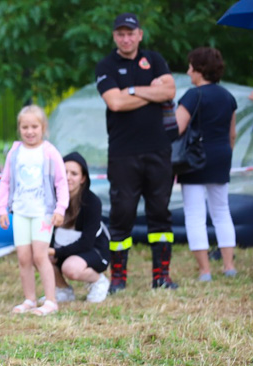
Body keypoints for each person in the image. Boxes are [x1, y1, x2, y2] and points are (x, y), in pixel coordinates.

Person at [95, 12, 178, 292]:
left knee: (160, 213)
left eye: (130, 33)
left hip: (158, 151)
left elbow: (169, 91)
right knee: (122, 213)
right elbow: (115, 103)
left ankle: (161, 277)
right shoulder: (105, 65)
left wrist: (129, 90)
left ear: (139, 34)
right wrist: (145, 91)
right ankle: (118, 279)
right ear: (114, 36)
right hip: (123, 154)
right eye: (120, 33)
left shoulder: (154, 59)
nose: (126, 38)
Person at [0, 105, 69, 316]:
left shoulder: (49, 152)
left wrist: (60, 209)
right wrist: (2, 209)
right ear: (19, 128)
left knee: (40, 256)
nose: (29, 131)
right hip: (20, 212)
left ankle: (51, 300)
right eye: (25, 127)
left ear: (43, 128)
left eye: (34, 126)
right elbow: (5, 181)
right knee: (23, 258)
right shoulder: (15, 152)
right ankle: (29, 298)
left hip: (42, 213)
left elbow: (61, 183)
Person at [175, 47, 238, 282]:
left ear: (199, 70)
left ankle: (205, 270)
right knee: (222, 211)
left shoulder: (193, 96)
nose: (189, 71)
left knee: (194, 214)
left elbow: (177, 128)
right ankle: (229, 266)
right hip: (221, 155)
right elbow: (232, 134)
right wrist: (225, 153)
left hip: (194, 158)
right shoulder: (227, 96)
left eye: (191, 67)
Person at [49, 152, 111, 304]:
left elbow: (87, 242)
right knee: (37, 255)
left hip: (93, 250)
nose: (68, 177)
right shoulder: (51, 199)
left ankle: (99, 281)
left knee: (70, 268)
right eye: (64, 172)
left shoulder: (92, 202)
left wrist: (56, 252)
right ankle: (63, 290)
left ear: (83, 178)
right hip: (64, 248)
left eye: (74, 173)